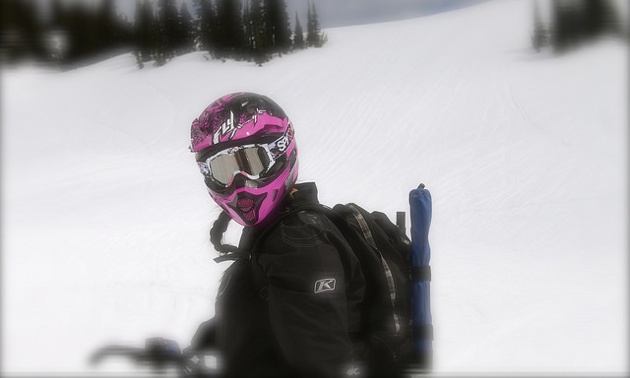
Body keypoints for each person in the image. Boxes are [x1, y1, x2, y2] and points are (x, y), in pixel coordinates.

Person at [188, 93, 366, 378]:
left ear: (281, 151)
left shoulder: (298, 243)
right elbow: (266, 314)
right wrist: (216, 339)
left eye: (251, 162)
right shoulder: (275, 230)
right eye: (223, 170)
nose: (239, 183)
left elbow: (320, 366)